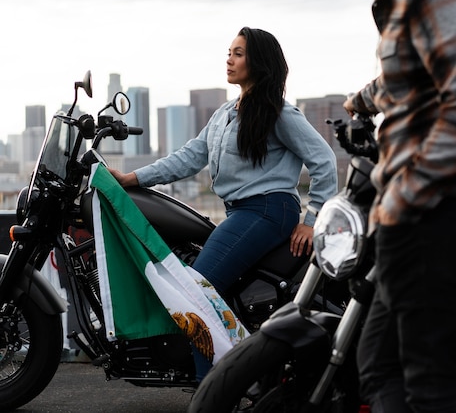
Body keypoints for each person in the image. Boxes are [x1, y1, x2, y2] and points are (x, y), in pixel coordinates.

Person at [110, 26, 337, 380]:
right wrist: (133, 178)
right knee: (211, 289)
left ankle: (212, 387)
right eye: (229, 52)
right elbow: (188, 158)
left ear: (258, 61)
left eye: (238, 53)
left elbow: (324, 160)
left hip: (268, 209)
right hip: (242, 213)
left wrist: (312, 219)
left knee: (198, 290)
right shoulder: (224, 113)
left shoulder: (278, 112)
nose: (229, 60)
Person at [343, 0, 456, 412]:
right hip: (421, 215)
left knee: (433, 387)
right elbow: (407, 80)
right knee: (380, 365)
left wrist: (404, 198)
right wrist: (358, 102)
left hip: (435, 213)